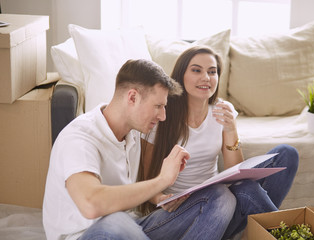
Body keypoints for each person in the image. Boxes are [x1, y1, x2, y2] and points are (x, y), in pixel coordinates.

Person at [42, 59, 237, 240]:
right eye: (158, 106)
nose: (163, 116)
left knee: (221, 197)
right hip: (89, 234)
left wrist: (158, 197)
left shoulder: (134, 132)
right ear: (132, 97)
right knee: (114, 220)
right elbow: (91, 205)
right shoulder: (79, 138)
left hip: (133, 226)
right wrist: (162, 180)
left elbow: (128, 187)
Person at [140, 46, 300, 239]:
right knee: (226, 193)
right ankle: (289, 235)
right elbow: (145, 179)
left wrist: (231, 129)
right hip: (183, 211)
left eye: (212, 71)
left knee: (286, 154)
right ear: (181, 75)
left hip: (222, 204)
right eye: (197, 70)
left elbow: (237, 173)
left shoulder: (222, 111)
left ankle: (274, 234)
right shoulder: (162, 116)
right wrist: (160, 198)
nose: (206, 77)